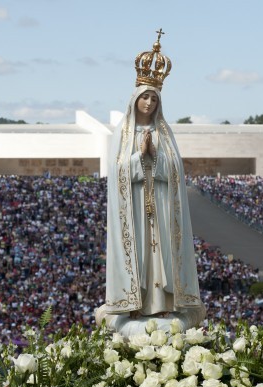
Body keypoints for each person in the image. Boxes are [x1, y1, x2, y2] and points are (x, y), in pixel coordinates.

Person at [96, 30, 205, 336]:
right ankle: (136, 302)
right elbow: (117, 174)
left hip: (159, 203)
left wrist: (155, 159)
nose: (148, 102)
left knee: (162, 254)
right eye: (144, 96)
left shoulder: (164, 134)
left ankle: (164, 301)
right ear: (135, 99)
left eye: (153, 98)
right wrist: (138, 157)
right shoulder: (124, 134)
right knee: (140, 253)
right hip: (133, 209)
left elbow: (175, 171)